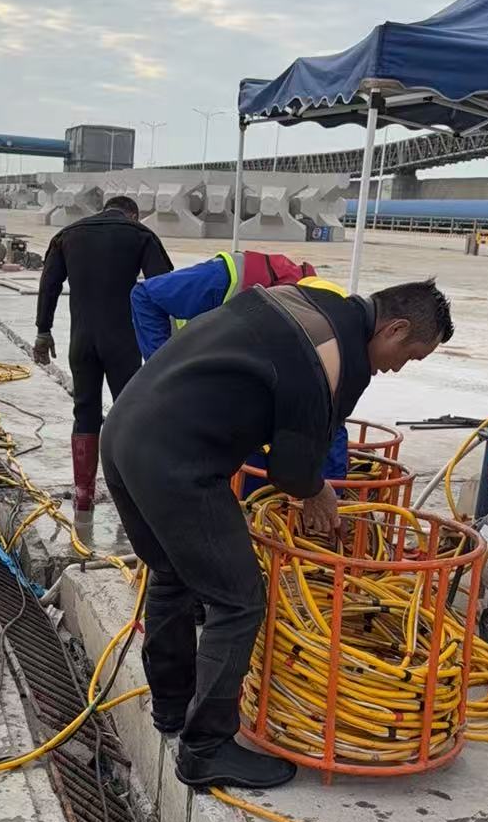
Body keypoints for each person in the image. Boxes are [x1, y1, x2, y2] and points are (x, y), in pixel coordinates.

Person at [101, 278, 453, 791]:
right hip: (179, 462)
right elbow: (291, 468)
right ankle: (205, 750)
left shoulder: (307, 301)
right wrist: (317, 492)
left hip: (126, 435)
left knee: (174, 573)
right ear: (394, 328)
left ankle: (172, 710)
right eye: (409, 354)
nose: (399, 367)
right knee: (239, 601)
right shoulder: (343, 359)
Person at [131, 251, 351, 482]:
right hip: (184, 391)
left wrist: (335, 492)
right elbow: (145, 297)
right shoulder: (226, 278)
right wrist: (164, 374)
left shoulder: (318, 333)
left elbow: (331, 419)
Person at [33, 196, 173, 512]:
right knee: (129, 413)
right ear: (133, 214)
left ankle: (84, 495)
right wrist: (168, 343)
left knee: (85, 411)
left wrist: (44, 330)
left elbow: (49, 285)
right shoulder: (140, 235)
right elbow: (164, 288)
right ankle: (131, 493)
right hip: (123, 341)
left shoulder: (67, 235)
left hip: (81, 341)